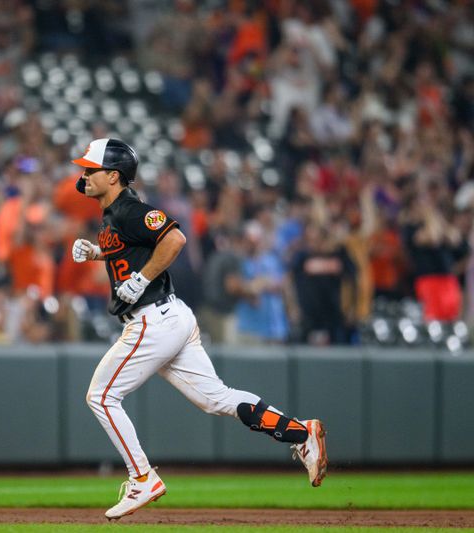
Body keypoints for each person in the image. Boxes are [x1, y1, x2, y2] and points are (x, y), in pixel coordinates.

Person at [70, 138, 328, 520]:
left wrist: (140, 279)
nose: (84, 174)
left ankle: (142, 477)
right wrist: (97, 252)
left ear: (114, 175)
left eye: (92, 169)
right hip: (168, 318)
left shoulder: (128, 208)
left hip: (152, 320)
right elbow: (131, 246)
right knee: (216, 399)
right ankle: (301, 433)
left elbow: (174, 238)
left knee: (101, 397)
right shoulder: (115, 214)